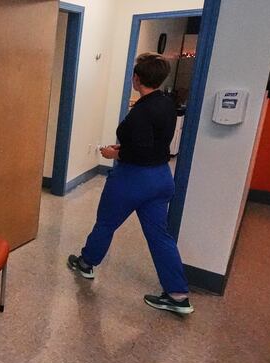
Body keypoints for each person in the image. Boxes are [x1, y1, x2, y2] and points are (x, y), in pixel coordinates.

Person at [68, 52, 193, 315]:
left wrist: (116, 153)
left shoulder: (140, 112)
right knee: (160, 235)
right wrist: (125, 147)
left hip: (134, 179)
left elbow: (141, 150)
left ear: (137, 79)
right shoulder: (167, 103)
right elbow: (153, 142)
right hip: (161, 178)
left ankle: (87, 263)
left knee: (106, 223)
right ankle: (178, 295)